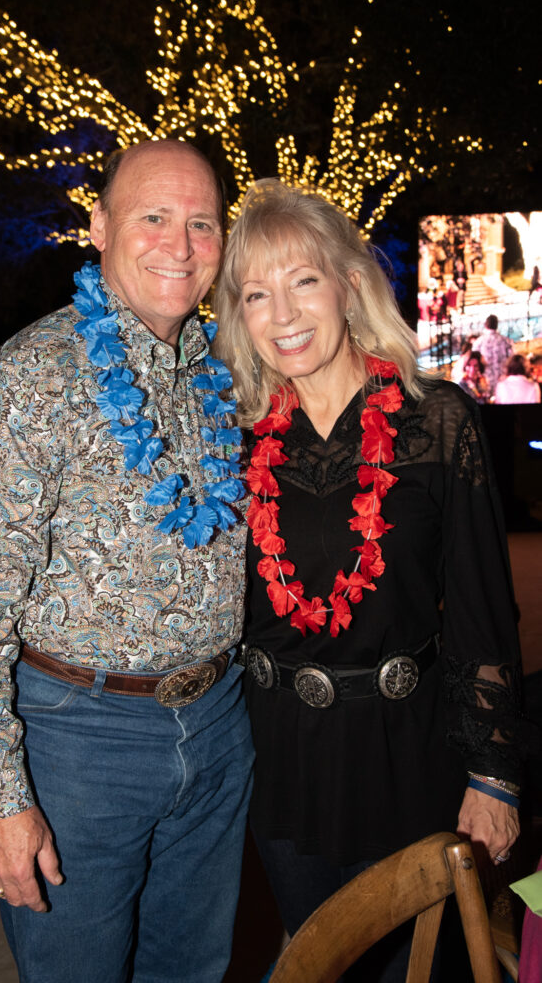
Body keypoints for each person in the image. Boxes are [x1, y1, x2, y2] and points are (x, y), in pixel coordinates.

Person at [0, 139, 254, 983]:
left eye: (202, 224)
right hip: (78, 744)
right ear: (99, 227)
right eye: (153, 218)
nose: (179, 246)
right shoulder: (25, 382)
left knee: (192, 972)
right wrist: (0, 797)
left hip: (217, 727)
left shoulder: (221, 374)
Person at [214, 180, 524, 979]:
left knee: (425, 967)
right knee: (324, 962)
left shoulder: (438, 419)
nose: (281, 315)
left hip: (407, 753)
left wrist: (494, 774)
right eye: (256, 293)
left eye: (302, 281)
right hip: (281, 757)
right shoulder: (232, 441)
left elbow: (484, 614)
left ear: (349, 284)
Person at [473, 314, 513, 392]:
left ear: (485, 325)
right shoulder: (507, 341)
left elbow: (474, 362)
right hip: (503, 381)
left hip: (485, 382)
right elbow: (513, 361)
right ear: (496, 325)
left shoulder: (478, 342)